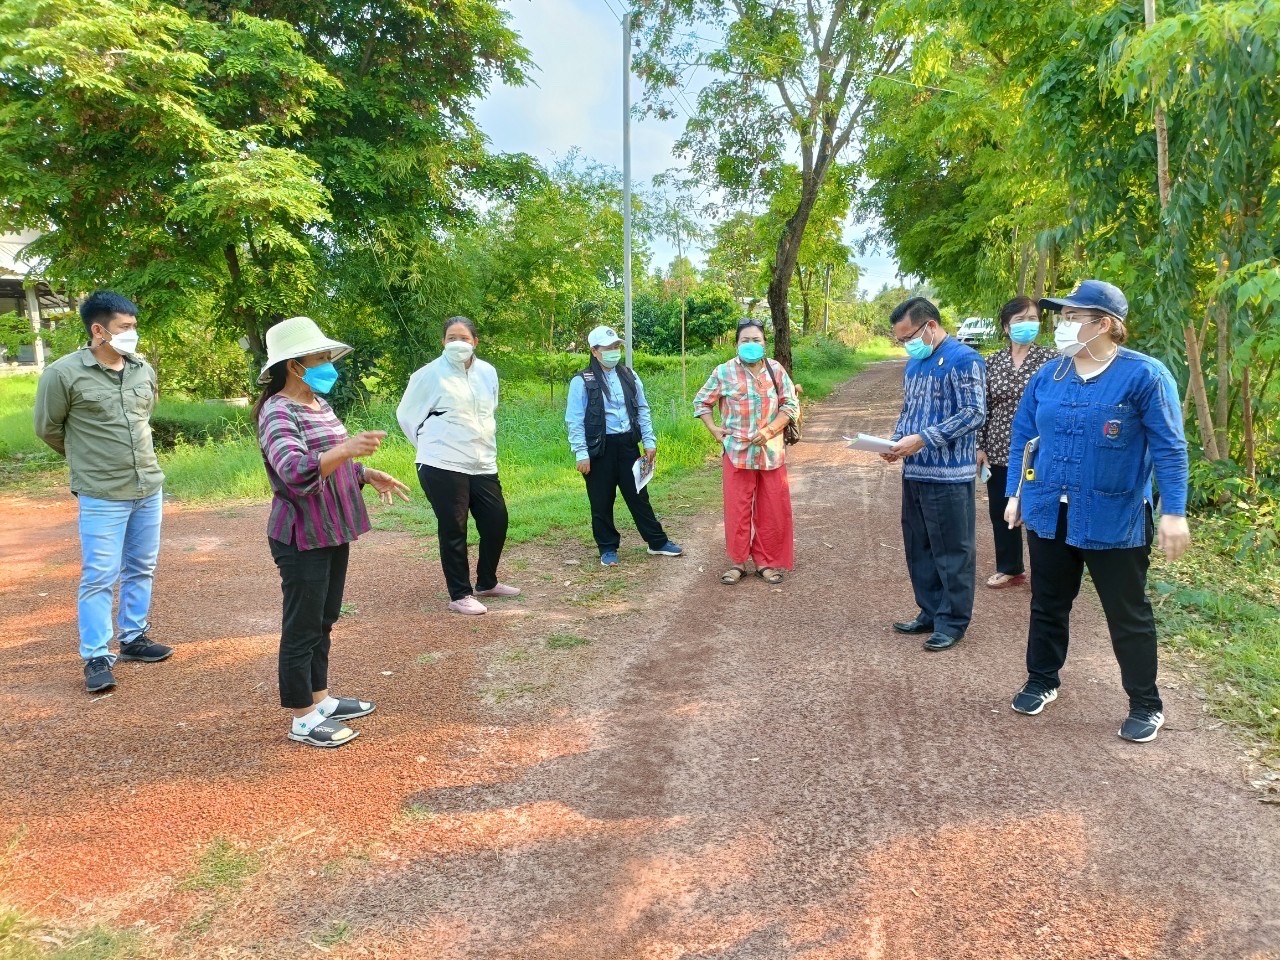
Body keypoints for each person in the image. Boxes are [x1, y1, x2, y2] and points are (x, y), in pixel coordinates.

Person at [1004, 280, 1190, 743]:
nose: (1061, 326)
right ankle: (1042, 679)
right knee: (1048, 603)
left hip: (1115, 516)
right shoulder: (1049, 376)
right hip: (1049, 510)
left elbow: (1170, 449)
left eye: (1072, 317)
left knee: (1126, 612)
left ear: (1104, 324)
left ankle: (1146, 703)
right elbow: (1024, 437)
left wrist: (1174, 512)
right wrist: (1016, 493)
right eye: (1061, 317)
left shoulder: (1144, 376)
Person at [256, 316, 411, 748]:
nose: (328, 364)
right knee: (302, 624)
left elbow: (332, 459)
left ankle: (320, 698)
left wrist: (363, 471)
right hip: (301, 534)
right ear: (294, 364)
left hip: (330, 527)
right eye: (320, 357)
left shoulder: (317, 405)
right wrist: (346, 449)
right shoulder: (278, 410)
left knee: (324, 618)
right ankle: (302, 717)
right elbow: (293, 469)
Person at [33, 291, 173, 694]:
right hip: (101, 492)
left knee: (142, 566)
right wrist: (88, 461)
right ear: (99, 330)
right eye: (125, 328)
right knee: (99, 575)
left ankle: (134, 638)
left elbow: (144, 417)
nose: (133, 334)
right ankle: (96, 655)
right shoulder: (63, 374)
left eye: (134, 326)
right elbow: (48, 428)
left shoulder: (142, 369)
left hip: (148, 484)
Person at [881, 297, 987, 651]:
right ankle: (929, 611)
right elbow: (909, 412)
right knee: (919, 545)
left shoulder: (964, 359)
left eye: (907, 336)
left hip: (949, 476)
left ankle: (953, 621)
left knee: (952, 550)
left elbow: (974, 412)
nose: (905, 344)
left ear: (930, 326)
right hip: (915, 472)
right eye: (900, 341)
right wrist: (894, 443)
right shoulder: (915, 363)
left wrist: (924, 439)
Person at [397, 316, 519, 616]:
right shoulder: (428, 375)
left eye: (464, 338)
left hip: (482, 462)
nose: (458, 343)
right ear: (443, 342)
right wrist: (431, 446)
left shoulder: (488, 373)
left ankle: (487, 582)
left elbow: (489, 410)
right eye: (451, 337)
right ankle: (460, 594)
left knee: (496, 521)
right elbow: (406, 416)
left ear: (475, 341)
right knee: (454, 527)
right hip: (442, 463)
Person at [565, 325, 684, 567]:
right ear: (594, 351)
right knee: (601, 500)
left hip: (629, 445)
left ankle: (657, 542)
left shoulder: (630, 375)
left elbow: (642, 408)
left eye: (616, 347)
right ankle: (607, 547)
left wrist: (649, 441)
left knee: (639, 496)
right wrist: (581, 453)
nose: (613, 352)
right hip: (600, 450)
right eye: (608, 348)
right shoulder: (582, 381)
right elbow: (574, 419)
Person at [693, 318, 799, 585]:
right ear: (736, 344)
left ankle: (765, 562)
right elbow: (701, 402)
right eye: (745, 340)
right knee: (737, 510)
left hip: (771, 453)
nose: (751, 345)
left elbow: (790, 405)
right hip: (736, 453)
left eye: (756, 340)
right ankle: (738, 563)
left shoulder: (775, 370)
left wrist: (770, 430)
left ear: (764, 344)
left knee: (772, 510)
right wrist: (714, 429)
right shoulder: (724, 372)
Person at [975, 297, 1058, 589]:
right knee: (1000, 509)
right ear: (1006, 327)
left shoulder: (1052, 360)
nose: (1027, 325)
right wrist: (979, 446)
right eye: (1019, 320)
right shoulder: (993, 362)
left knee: (1038, 510)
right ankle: (1010, 568)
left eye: (1032, 318)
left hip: (1039, 449)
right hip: (997, 447)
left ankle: (1047, 573)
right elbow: (982, 407)